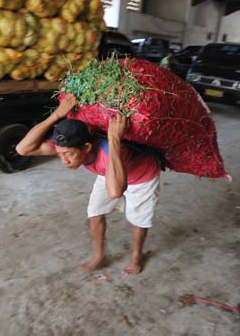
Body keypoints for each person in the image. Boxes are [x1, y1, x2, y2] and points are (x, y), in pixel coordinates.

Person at [15, 95, 161, 275]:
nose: (64, 161)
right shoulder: (70, 146)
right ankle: (100, 256)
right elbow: (22, 149)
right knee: (95, 212)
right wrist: (57, 115)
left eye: (69, 154)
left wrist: (114, 140)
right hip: (107, 174)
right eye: (60, 154)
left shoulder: (110, 150)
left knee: (139, 218)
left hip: (141, 175)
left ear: (86, 147)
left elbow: (115, 191)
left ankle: (137, 256)